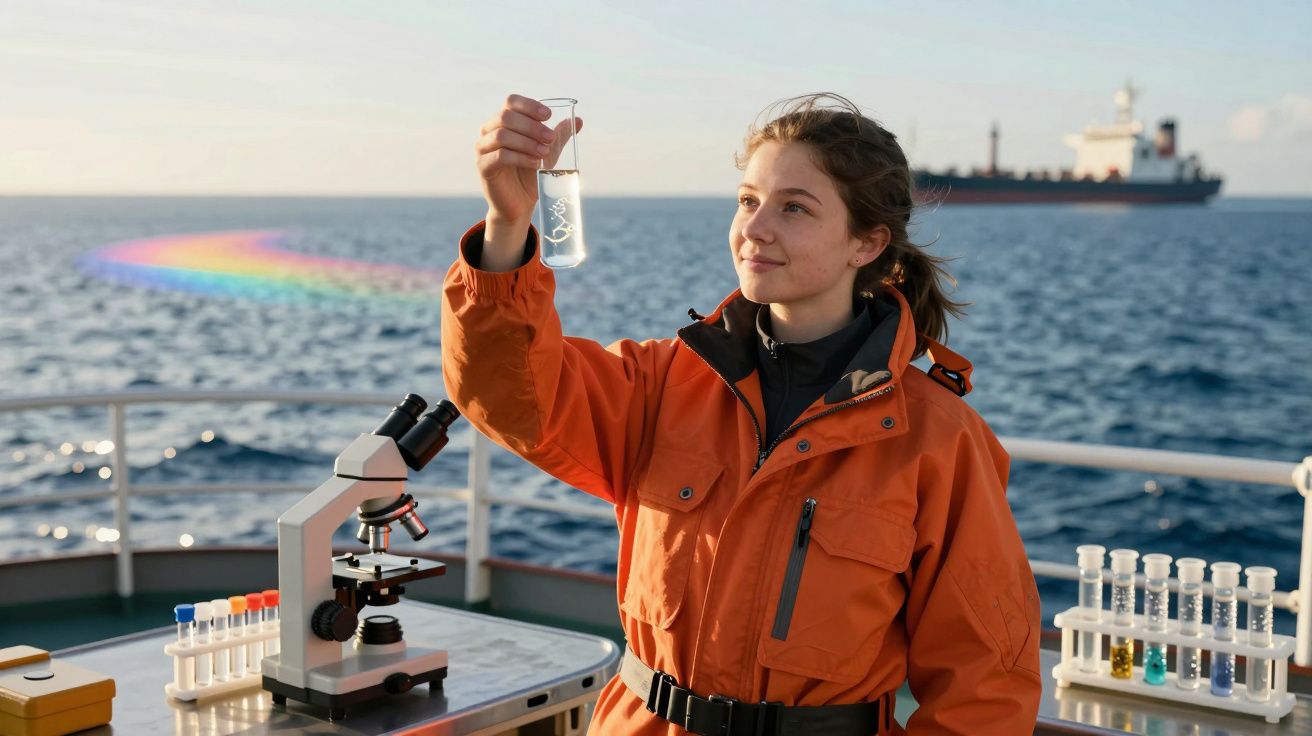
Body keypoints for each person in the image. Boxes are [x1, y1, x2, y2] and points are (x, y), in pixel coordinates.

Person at [441, 92, 1042, 735]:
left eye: (794, 208)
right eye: (748, 200)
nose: (755, 228)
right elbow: (509, 395)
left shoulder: (937, 439)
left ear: (867, 243)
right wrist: (507, 225)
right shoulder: (662, 383)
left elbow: (986, 688)